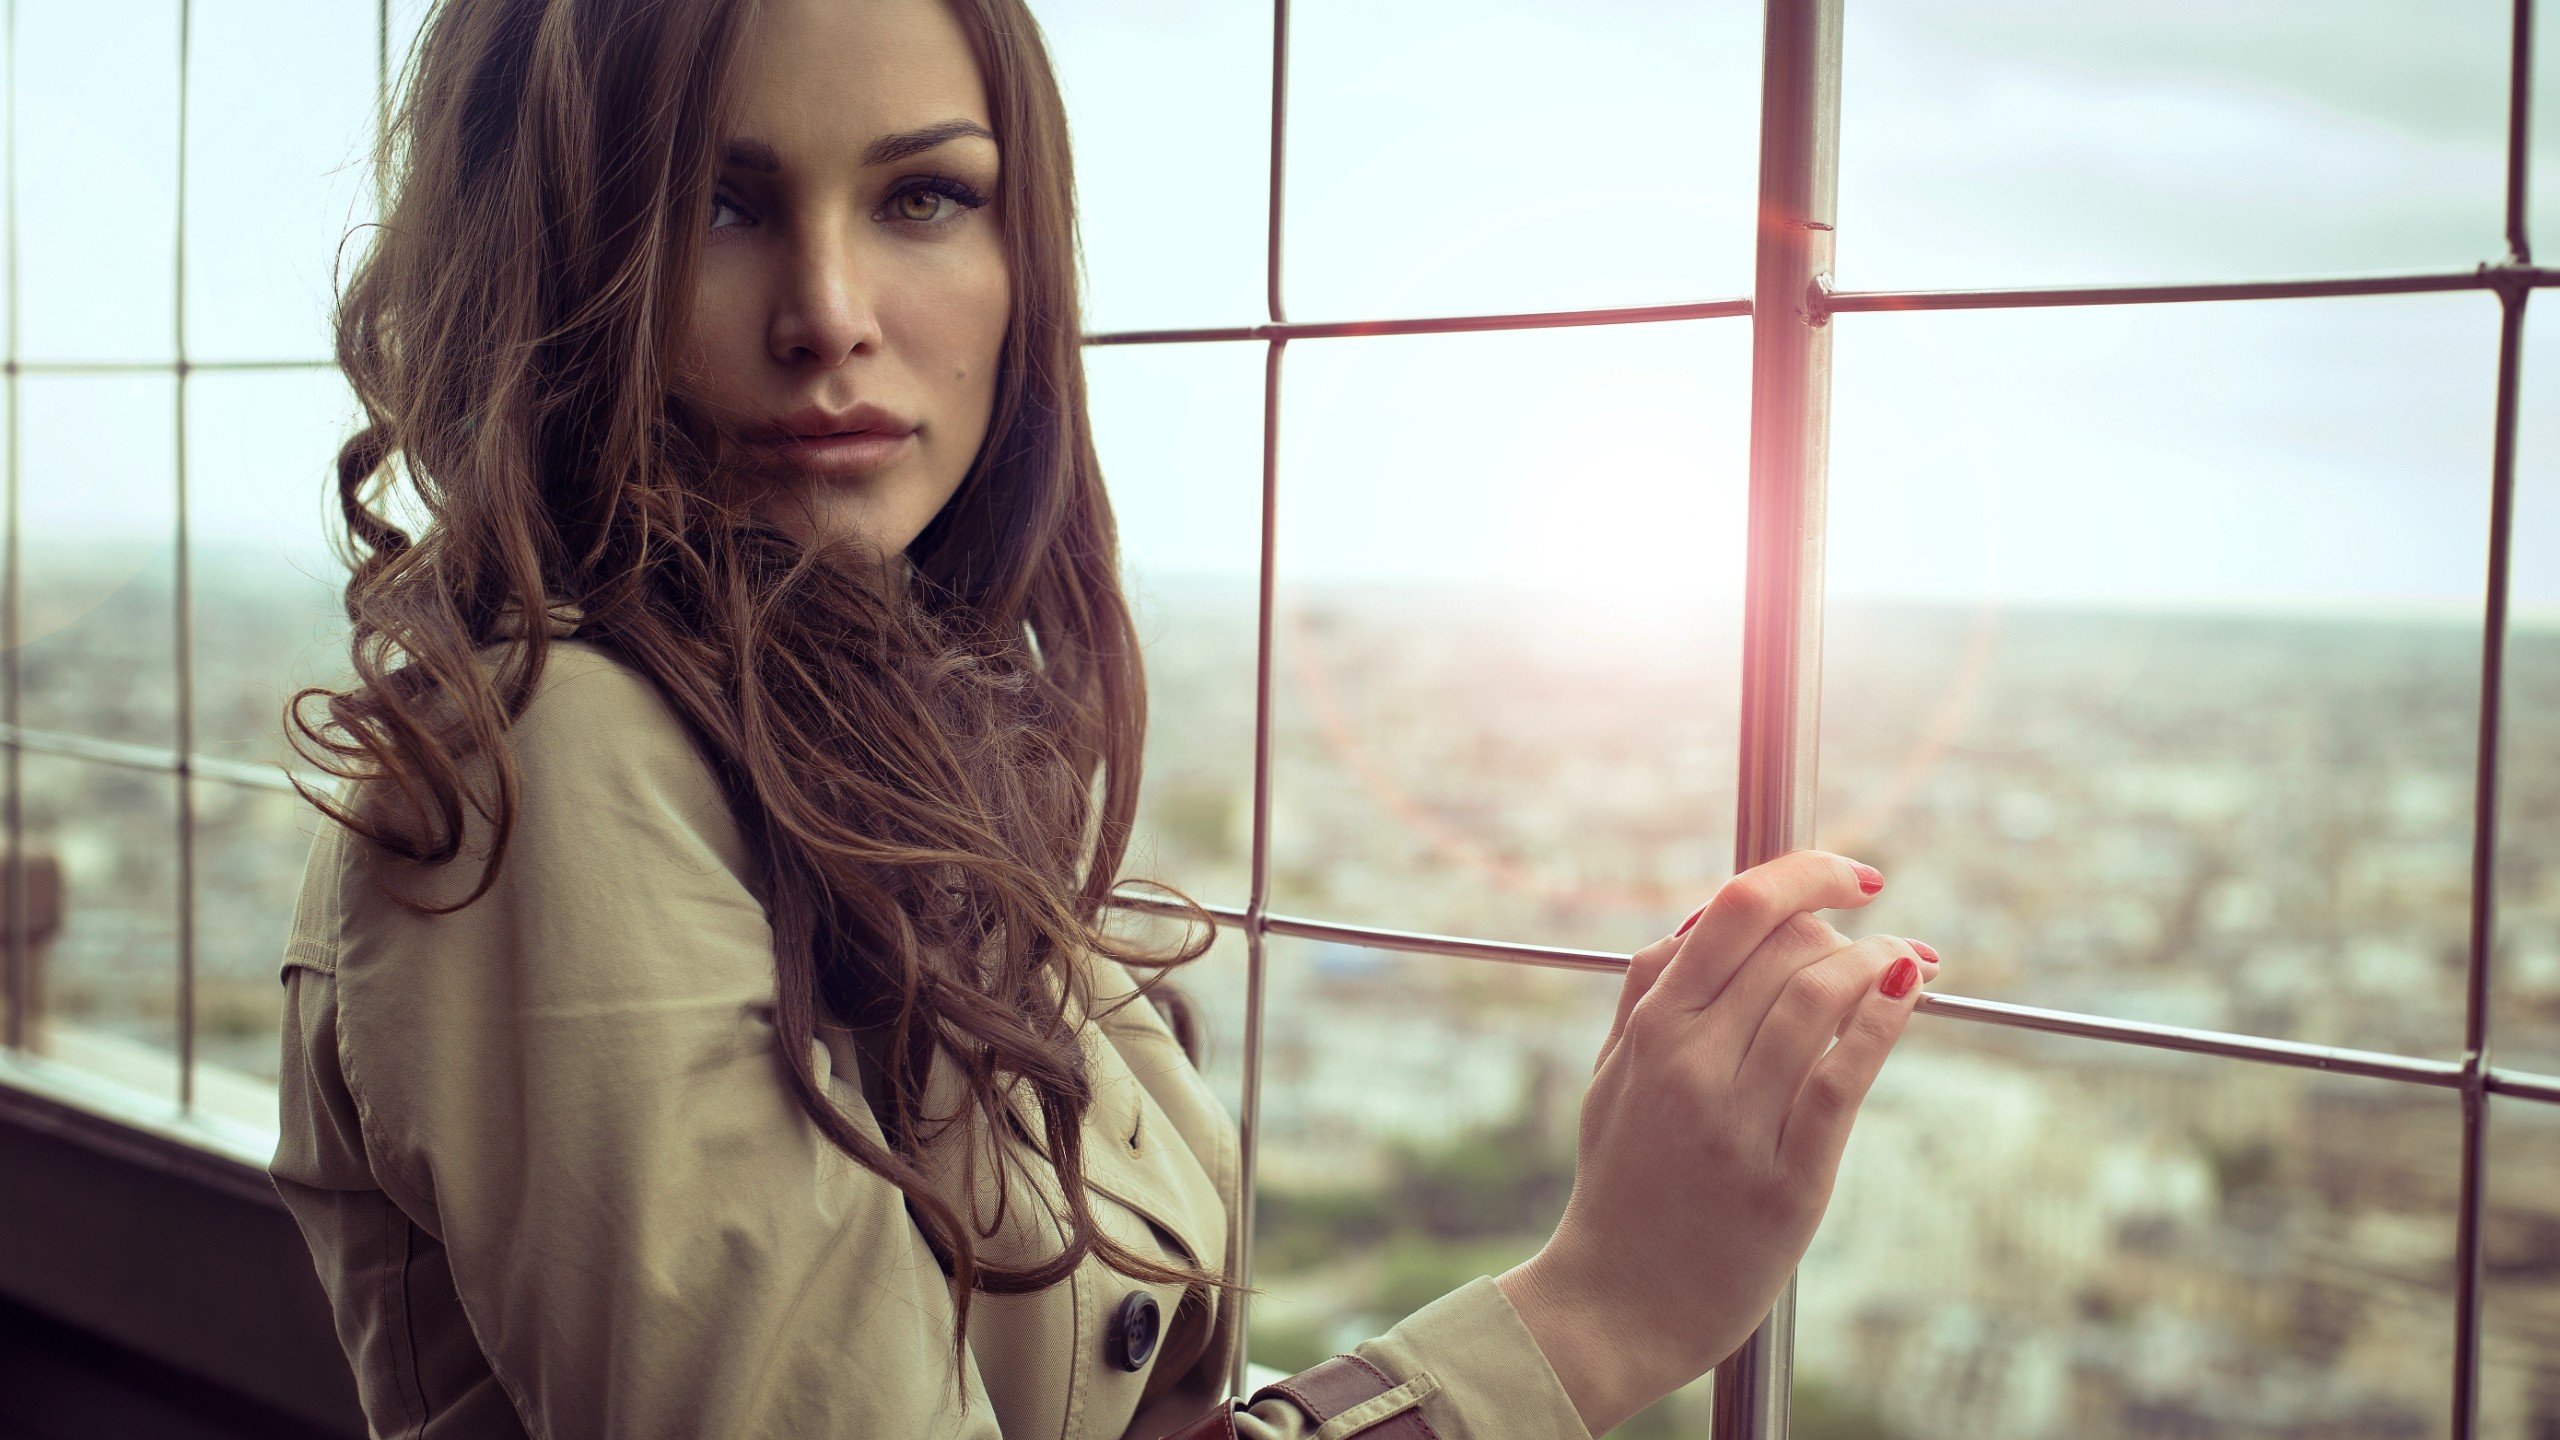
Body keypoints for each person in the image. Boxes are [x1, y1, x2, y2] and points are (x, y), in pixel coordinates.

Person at [266, 0, 1943, 1435]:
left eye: (924, 197)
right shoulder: (558, 766)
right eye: (716, 203)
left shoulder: (877, 739)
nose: (831, 310)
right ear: (548, 257)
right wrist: (1589, 1321)